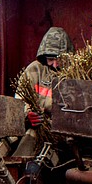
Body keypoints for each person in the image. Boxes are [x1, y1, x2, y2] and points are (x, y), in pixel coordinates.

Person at [14, 26, 73, 156]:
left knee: (32, 135)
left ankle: (19, 169)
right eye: (51, 59)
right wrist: (27, 114)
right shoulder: (34, 70)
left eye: (59, 60)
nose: (55, 64)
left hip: (56, 132)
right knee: (6, 132)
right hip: (29, 123)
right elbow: (20, 98)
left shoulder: (74, 74)